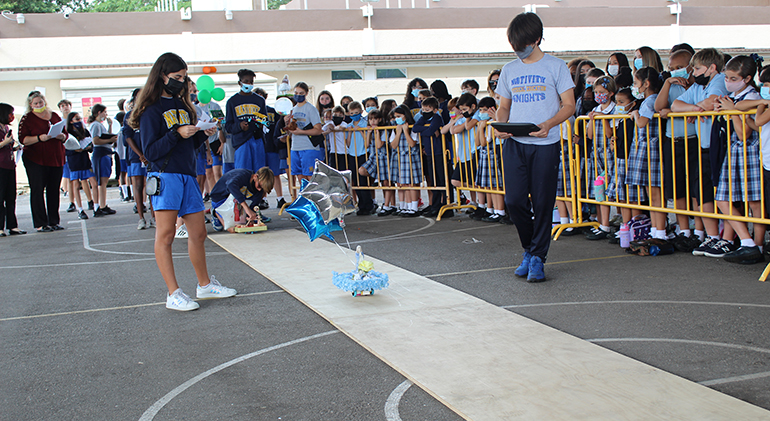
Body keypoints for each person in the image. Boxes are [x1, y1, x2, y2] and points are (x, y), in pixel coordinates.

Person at [129, 52, 236, 312]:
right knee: (165, 235)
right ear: (162, 76)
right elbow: (151, 152)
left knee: (198, 233)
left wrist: (202, 134)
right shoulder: (150, 111)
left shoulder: (185, 106)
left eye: (184, 77)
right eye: (177, 77)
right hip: (165, 176)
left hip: (188, 175)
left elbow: (188, 145)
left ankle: (205, 284)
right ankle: (173, 293)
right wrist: (176, 133)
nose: (182, 82)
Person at [495, 12, 575, 282]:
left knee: (542, 203)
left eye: (522, 46)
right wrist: (501, 125)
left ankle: (538, 257)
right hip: (515, 143)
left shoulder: (556, 66)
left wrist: (549, 124)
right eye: (514, 47)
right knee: (514, 201)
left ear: (537, 39)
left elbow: (569, 105)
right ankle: (529, 249)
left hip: (545, 143)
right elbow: (504, 106)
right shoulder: (509, 70)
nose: (518, 51)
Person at [670, 48, 730, 257]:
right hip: (703, 146)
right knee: (702, 192)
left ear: (712, 68)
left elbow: (712, 102)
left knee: (723, 194)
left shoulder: (720, 80)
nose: (693, 73)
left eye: (697, 68)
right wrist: (695, 109)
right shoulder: (697, 85)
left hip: (720, 145)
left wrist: (695, 108)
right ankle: (712, 236)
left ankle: (727, 238)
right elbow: (675, 105)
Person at [713, 55, 764, 264]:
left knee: (754, 201)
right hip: (734, 151)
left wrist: (732, 111)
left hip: (747, 151)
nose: (728, 82)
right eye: (727, 77)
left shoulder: (751, 96)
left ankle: (756, 245)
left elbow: (744, 133)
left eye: (734, 78)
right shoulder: (733, 97)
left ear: (747, 78)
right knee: (723, 198)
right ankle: (747, 241)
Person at [655, 49, 705, 251]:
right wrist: (667, 82)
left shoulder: (697, 88)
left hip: (693, 139)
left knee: (696, 187)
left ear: (691, 67)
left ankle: (700, 230)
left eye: (679, 68)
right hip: (672, 140)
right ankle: (684, 229)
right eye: (671, 68)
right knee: (677, 188)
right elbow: (660, 106)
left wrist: (676, 110)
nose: (676, 72)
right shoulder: (671, 86)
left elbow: (682, 107)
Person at [19, 91, 68, 232]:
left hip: (55, 157)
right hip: (36, 159)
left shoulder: (53, 115)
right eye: (36, 103)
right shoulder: (27, 119)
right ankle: (41, 223)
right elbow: (23, 139)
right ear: (30, 105)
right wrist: (40, 138)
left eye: (41, 102)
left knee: (53, 190)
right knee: (38, 189)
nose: (39, 105)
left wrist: (61, 136)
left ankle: (54, 221)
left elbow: (65, 133)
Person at [627, 68, 666, 242]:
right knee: (652, 194)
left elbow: (642, 122)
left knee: (655, 193)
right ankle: (656, 229)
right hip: (646, 149)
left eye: (636, 83)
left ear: (646, 84)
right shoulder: (649, 100)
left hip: (651, 149)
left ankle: (660, 230)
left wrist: (635, 114)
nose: (635, 87)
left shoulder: (650, 101)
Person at [584, 76, 618, 240]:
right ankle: (602, 223)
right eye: (596, 92)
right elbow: (589, 135)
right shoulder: (595, 108)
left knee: (610, 188)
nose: (598, 95)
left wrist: (602, 118)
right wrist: (592, 120)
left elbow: (610, 133)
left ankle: (612, 223)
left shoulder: (614, 110)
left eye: (602, 92)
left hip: (609, 154)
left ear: (610, 93)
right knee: (599, 189)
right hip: (596, 154)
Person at [123, 90, 155, 230]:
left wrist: (148, 154)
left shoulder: (151, 112)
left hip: (151, 155)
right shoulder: (129, 116)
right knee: (137, 185)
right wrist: (140, 154)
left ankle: (154, 217)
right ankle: (141, 218)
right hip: (136, 156)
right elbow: (128, 136)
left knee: (152, 186)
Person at [225, 69, 268, 174]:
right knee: (243, 173)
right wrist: (239, 126)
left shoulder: (260, 100)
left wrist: (262, 124)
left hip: (257, 139)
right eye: (246, 81)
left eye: (251, 82)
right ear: (240, 83)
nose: (249, 84)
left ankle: (259, 191)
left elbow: (265, 121)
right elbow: (228, 126)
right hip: (241, 142)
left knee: (260, 174)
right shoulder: (232, 101)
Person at [412, 96, 448, 217]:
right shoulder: (423, 118)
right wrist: (426, 130)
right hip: (429, 152)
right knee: (433, 180)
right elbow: (416, 128)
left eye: (428, 110)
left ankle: (446, 204)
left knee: (442, 179)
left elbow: (432, 129)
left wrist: (429, 130)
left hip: (438, 152)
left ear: (435, 110)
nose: (425, 112)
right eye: (423, 110)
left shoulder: (437, 118)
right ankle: (435, 204)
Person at [210, 167, 274, 232]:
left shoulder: (259, 190)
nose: (259, 189)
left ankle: (229, 216)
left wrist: (251, 218)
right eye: (259, 186)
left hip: (235, 201)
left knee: (241, 225)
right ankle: (216, 212)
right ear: (255, 177)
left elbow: (253, 206)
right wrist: (246, 208)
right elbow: (230, 185)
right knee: (230, 229)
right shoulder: (243, 175)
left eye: (263, 188)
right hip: (220, 197)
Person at [451, 93, 483, 219]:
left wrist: (467, 119)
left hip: (475, 152)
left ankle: (481, 203)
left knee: (475, 178)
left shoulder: (477, 115)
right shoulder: (462, 118)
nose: (463, 112)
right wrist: (460, 119)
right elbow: (454, 130)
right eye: (462, 110)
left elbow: (468, 126)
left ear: (473, 106)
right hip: (464, 154)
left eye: (465, 109)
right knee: (456, 180)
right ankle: (475, 200)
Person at [358, 110, 395, 216]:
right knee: (362, 170)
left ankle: (387, 204)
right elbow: (366, 145)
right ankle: (373, 199)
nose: (372, 121)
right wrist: (369, 133)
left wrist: (377, 132)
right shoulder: (369, 130)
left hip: (383, 157)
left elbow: (379, 145)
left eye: (375, 119)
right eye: (370, 119)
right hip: (373, 157)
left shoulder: (383, 130)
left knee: (386, 182)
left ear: (379, 119)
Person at [474, 96, 506, 223]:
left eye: (485, 110)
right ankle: (492, 209)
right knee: (489, 186)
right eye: (480, 110)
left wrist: (482, 128)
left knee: (496, 185)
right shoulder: (484, 124)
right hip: (486, 156)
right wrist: (480, 128)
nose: (482, 113)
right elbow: (477, 142)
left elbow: (484, 142)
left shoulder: (492, 123)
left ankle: (500, 211)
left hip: (494, 155)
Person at [286, 81, 324, 182]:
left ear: (306, 93)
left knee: (310, 177)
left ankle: (312, 197)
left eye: (301, 93)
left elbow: (318, 130)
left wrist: (301, 131)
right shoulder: (292, 110)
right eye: (296, 93)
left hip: (309, 147)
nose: (298, 95)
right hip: (295, 147)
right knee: (300, 176)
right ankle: (304, 197)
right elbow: (289, 131)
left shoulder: (311, 109)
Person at [255, 88, 285, 209]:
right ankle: (263, 198)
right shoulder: (253, 114)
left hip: (272, 147)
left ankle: (280, 198)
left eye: (262, 96)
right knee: (261, 174)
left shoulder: (273, 111)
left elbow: (279, 127)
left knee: (275, 174)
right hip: (259, 147)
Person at [389, 105, 421, 217]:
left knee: (412, 183)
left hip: (411, 158)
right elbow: (393, 145)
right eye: (395, 117)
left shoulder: (413, 127)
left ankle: (414, 207)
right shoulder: (395, 128)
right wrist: (398, 133)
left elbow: (412, 143)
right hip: (400, 159)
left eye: (399, 116)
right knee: (404, 183)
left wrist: (406, 131)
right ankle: (407, 206)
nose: (396, 118)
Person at [65, 112, 97, 221]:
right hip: (74, 162)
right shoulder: (68, 133)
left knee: (93, 181)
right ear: (70, 121)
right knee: (76, 185)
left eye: (79, 119)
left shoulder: (85, 131)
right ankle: (80, 209)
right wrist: (75, 150)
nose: (79, 121)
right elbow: (66, 149)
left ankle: (96, 205)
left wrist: (88, 147)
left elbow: (91, 145)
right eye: (76, 119)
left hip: (85, 160)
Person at [345, 101, 375, 215]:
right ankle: (361, 205)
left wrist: (360, 131)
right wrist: (351, 132)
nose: (354, 115)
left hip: (363, 153)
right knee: (356, 181)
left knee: (363, 180)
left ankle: (369, 204)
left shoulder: (364, 123)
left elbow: (367, 141)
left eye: (356, 113)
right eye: (352, 113)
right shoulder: (349, 125)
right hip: (352, 153)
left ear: (361, 112)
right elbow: (348, 143)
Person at [88, 104, 118, 217]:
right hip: (101, 154)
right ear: (99, 112)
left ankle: (103, 204)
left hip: (106, 153)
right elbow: (96, 141)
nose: (106, 114)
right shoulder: (95, 125)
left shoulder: (100, 125)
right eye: (104, 112)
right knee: (102, 181)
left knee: (104, 180)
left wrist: (110, 126)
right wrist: (110, 139)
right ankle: (101, 205)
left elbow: (106, 136)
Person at [0, 103, 25, 236]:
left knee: (11, 196)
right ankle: (0, 227)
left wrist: (15, 147)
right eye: (10, 113)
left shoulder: (6, 128)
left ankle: (13, 226)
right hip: (1, 166)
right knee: (0, 197)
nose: (12, 117)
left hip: (9, 165)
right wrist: (4, 142)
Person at [57, 99, 75, 212]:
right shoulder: (59, 121)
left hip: (76, 151)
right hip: (65, 151)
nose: (65, 107)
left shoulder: (75, 119)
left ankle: (90, 201)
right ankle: (71, 201)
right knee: (68, 177)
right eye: (62, 106)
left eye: (67, 105)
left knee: (78, 178)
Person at [322, 106, 349, 170]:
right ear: (332, 116)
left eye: (340, 115)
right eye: (335, 115)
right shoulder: (330, 123)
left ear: (343, 117)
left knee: (343, 170)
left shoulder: (344, 123)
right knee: (333, 170)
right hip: (333, 151)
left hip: (344, 152)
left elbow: (341, 128)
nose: (337, 117)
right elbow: (321, 131)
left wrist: (333, 128)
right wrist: (328, 131)